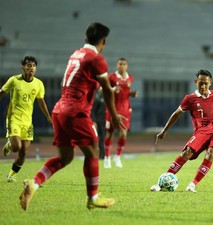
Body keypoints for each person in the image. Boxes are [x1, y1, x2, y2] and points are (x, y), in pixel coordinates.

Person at [19, 22, 126, 210]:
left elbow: (74, 81)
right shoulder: (96, 58)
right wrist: (115, 115)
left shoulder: (75, 54)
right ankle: (93, 197)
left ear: (85, 38)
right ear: (104, 41)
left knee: (65, 157)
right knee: (93, 150)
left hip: (60, 110)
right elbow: (108, 92)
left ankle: (33, 184)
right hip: (76, 112)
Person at [0, 56, 52, 183]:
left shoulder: (38, 84)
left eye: (33, 66)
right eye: (28, 66)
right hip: (14, 119)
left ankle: (11, 174)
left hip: (27, 122)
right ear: (23, 67)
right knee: (17, 147)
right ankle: (11, 144)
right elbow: (1, 92)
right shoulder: (14, 80)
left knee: (23, 153)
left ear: (36, 68)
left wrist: (48, 116)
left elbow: (41, 102)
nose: (31, 68)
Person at [103, 58, 137, 168]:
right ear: (117, 65)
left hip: (125, 109)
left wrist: (131, 94)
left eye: (124, 64)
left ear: (127, 66)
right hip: (112, 108)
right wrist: (112, 89)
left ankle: (117, 157)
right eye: (120, 64)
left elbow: (125, 92)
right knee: (110, 133)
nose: (122, 66)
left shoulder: (130, 78)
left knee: (123, 134)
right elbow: (101, 89)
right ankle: (107, 157)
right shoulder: (111, 77)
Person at [91, 89, 106, 159]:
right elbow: (93, 110)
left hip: (104, 120)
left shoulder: (105, 96)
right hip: (98, 121)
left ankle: (102, 155)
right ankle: (99, 155)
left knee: (103, 138)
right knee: (98, 138)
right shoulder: (97, 97)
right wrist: (94, 121)